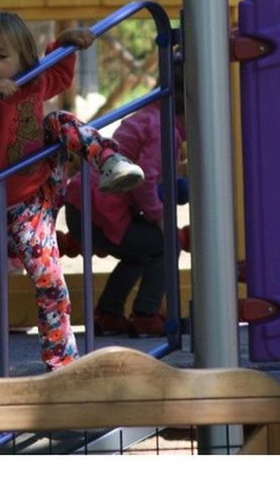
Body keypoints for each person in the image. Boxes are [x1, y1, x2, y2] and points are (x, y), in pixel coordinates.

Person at [0, 11, 145, 370]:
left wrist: (65, 44)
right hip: (18, 202)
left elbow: (59, 75)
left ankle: (109, 162)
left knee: (58, 121)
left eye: (1, 56)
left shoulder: (31, 84)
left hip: (46, 176)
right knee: (49, 277)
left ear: (22, 60)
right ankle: (61, 361)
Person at [64, 57, 187, 338]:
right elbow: (143, 182)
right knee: (167, 244)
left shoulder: (148, 113)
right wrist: (158, 217)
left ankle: (108, 314)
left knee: (139, 254)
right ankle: (145, 315)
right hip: (101, 208)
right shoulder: (163, 130)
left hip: (82, 202)